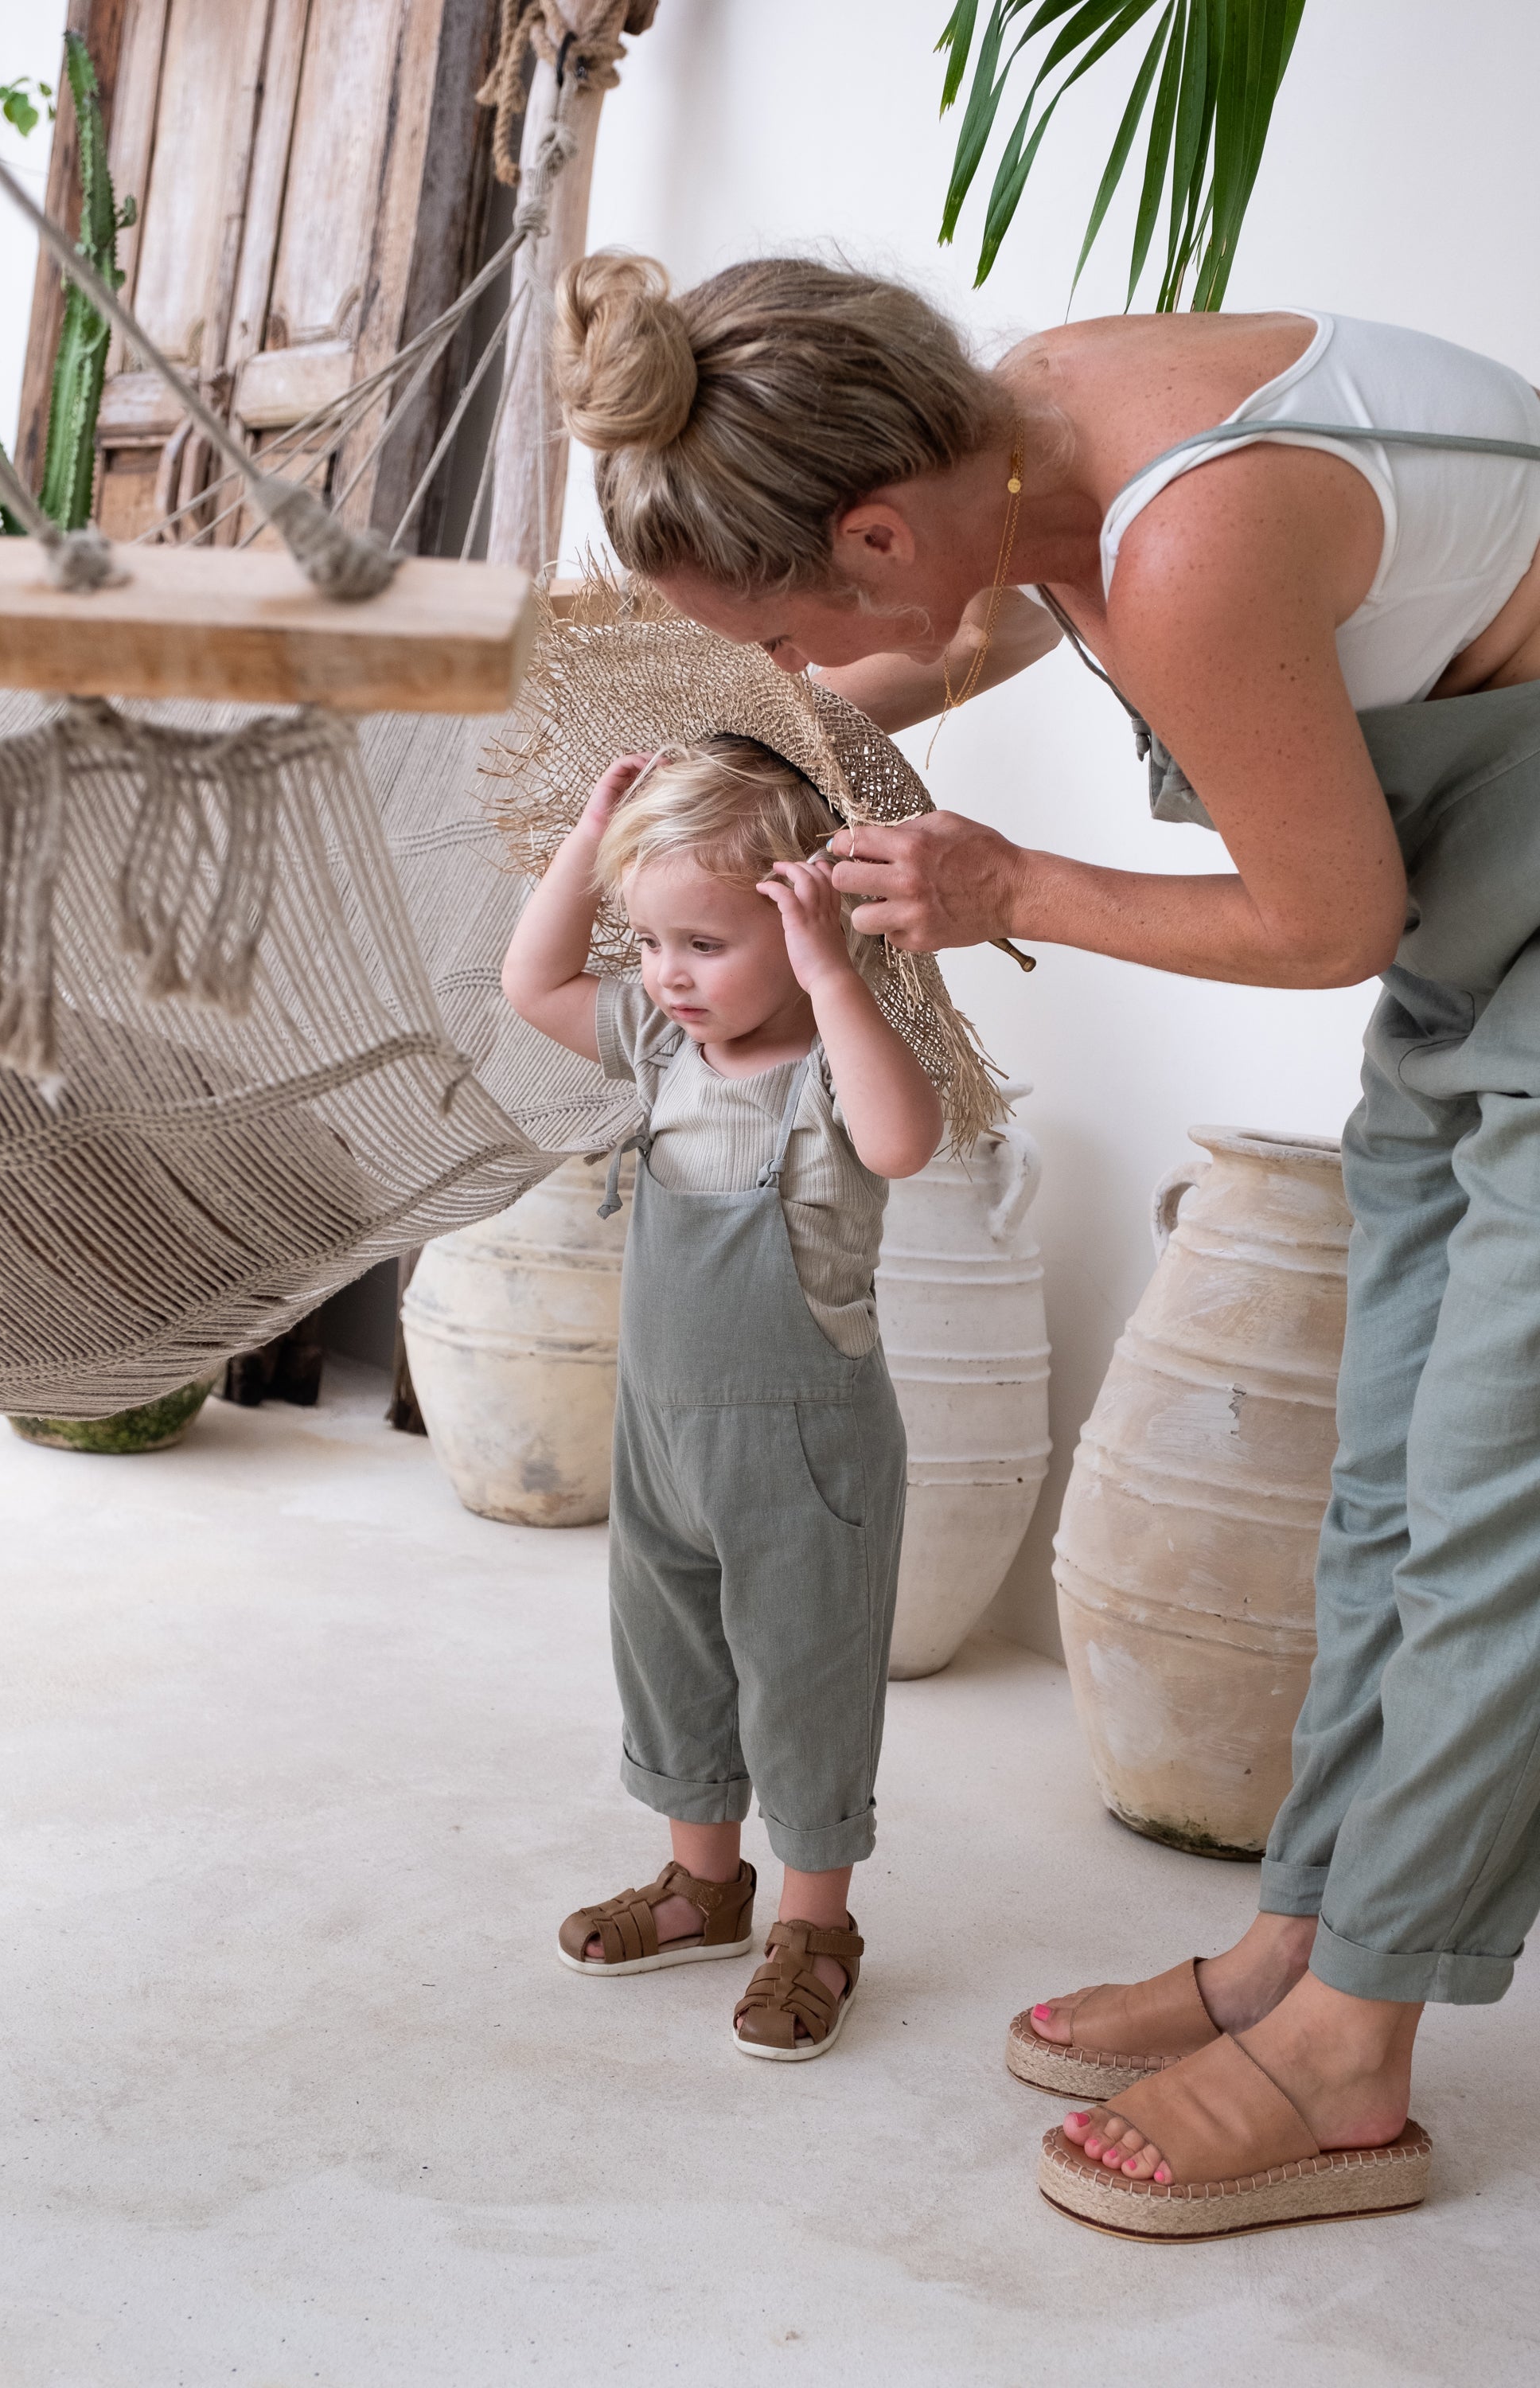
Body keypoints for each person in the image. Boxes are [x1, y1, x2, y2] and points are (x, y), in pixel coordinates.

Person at [547, 248, 1540, 2233]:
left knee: (1492, 1508)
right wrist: (729, 780)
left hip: (1445, 919)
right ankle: (1303, 1947)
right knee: (1382, 1488)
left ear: (877, 526)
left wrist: (1014, 882)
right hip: (1483, 940)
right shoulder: (1022, 428)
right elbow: (950, 633)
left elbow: (1325, 921)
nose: (807, 680)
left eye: (790, 634)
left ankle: (1352, 2058)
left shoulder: (1192, 538)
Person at [501, 730, 944, 2059]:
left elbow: (903, 1142)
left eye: (703, 944)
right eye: (648, 944)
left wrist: (831, 973)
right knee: (673, 1657)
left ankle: (819, 1923)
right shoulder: (661, 1050)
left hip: (806, 1461)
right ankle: (705, 1881)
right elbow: (530, 983)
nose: (666, 977)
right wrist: (593, 847)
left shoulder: (829, 1071)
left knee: (803, 1676)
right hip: (663, 1438)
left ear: (797, 919)